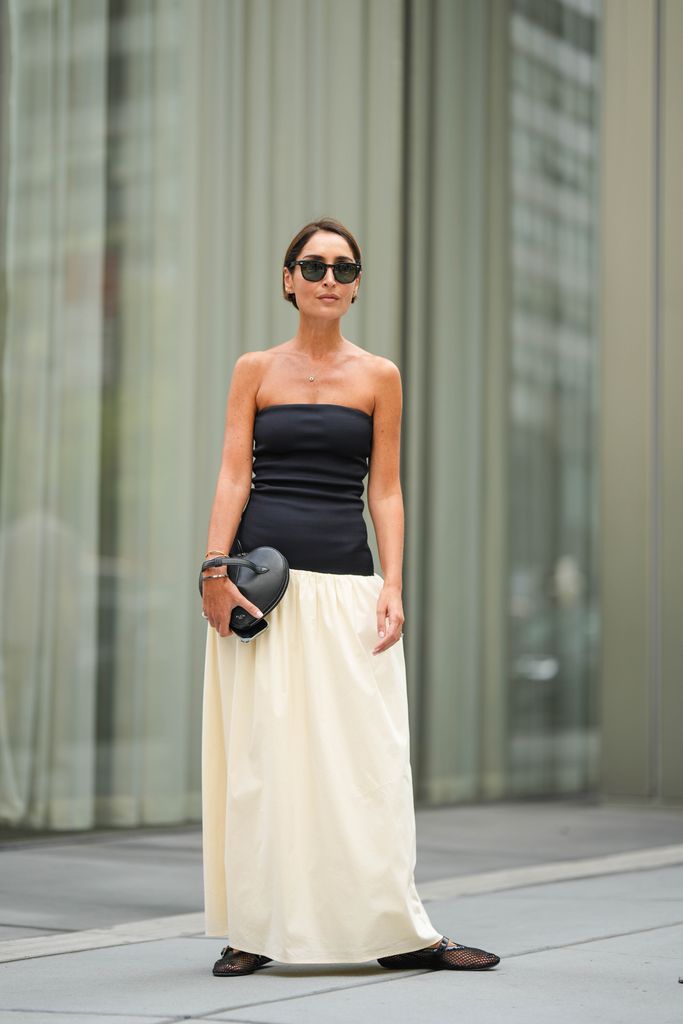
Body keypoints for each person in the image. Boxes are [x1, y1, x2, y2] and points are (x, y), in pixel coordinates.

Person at [199, 216, 500, 977]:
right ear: (287, 278)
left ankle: (399, 934)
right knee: (264, 765)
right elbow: (235, 475)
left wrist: (393, 585)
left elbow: (387, 492)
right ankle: (254, 930)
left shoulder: (379, 375)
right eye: (313, 265)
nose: (328, 278)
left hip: (348, 590)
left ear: (357, 285)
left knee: (366, 767)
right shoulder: (254, 369)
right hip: (264, 593)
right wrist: (212, 571)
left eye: (343, 267)